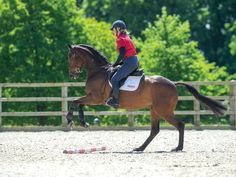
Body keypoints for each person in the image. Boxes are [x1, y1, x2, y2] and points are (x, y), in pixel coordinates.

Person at [106, 20, 139, 108]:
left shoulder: (120, 39)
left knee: (114, 79)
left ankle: (116, 100)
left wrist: (115, 64)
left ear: (118, 29)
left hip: (130, 62)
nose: (113, 32)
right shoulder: (126, 37)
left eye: (113, 29)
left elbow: (122, 53)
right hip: (132, 61)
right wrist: (119, 63)